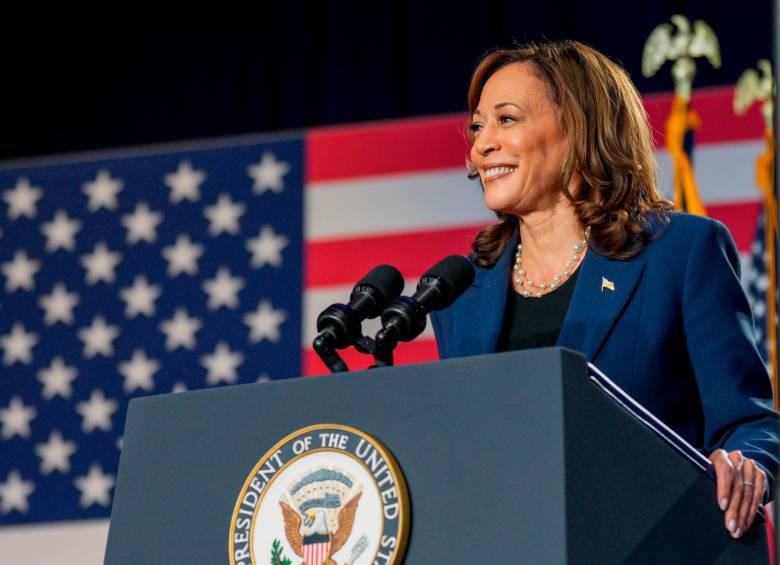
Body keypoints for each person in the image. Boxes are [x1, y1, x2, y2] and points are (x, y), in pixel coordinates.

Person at [430, 40, 779, 539]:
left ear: (579, 126)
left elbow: (750, 423)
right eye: (478, 126)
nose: (481, 144)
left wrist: (748, 466)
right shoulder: (462, 295)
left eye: (506, 120)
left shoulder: (679, 254)